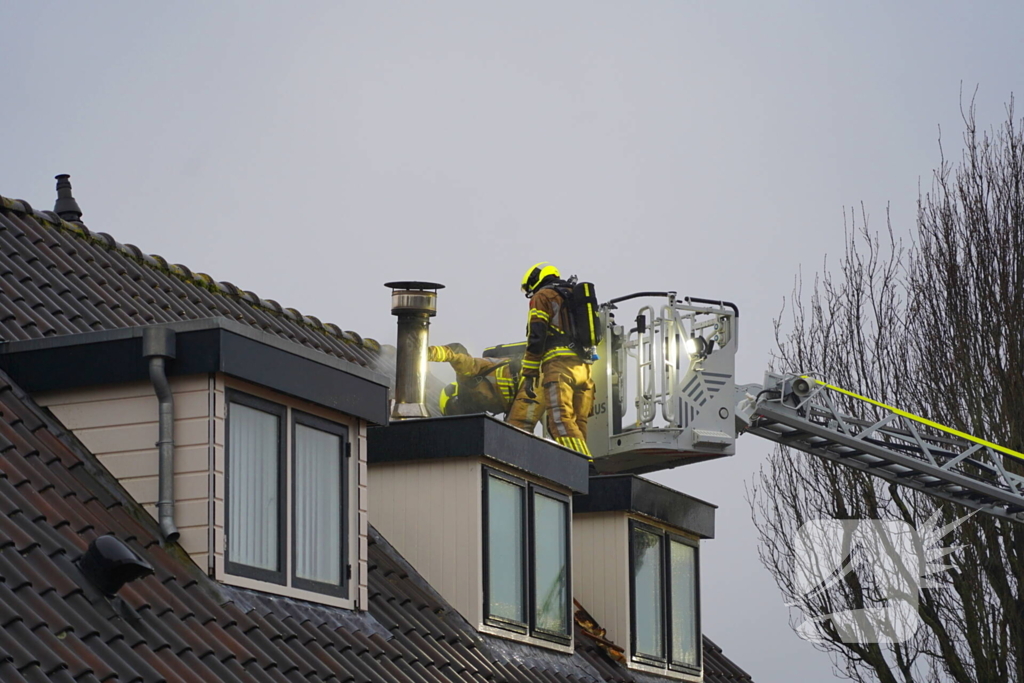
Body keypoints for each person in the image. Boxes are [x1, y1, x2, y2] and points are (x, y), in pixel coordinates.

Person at [507, 262, 595, 457]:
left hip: (559, 367)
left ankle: (585, 466)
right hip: (584, 369)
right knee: (577, 422)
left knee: (559, 421)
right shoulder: (572, 295)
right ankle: (582, 467)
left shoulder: (543, 296)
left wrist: (529, 374)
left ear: (535, 280)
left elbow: (536, 336)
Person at [428, 343, 521, 416]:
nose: (459, 414)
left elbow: (457, 352)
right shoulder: (488, 412)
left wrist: (426, 353)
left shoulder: (468, 376)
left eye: (453, 410)